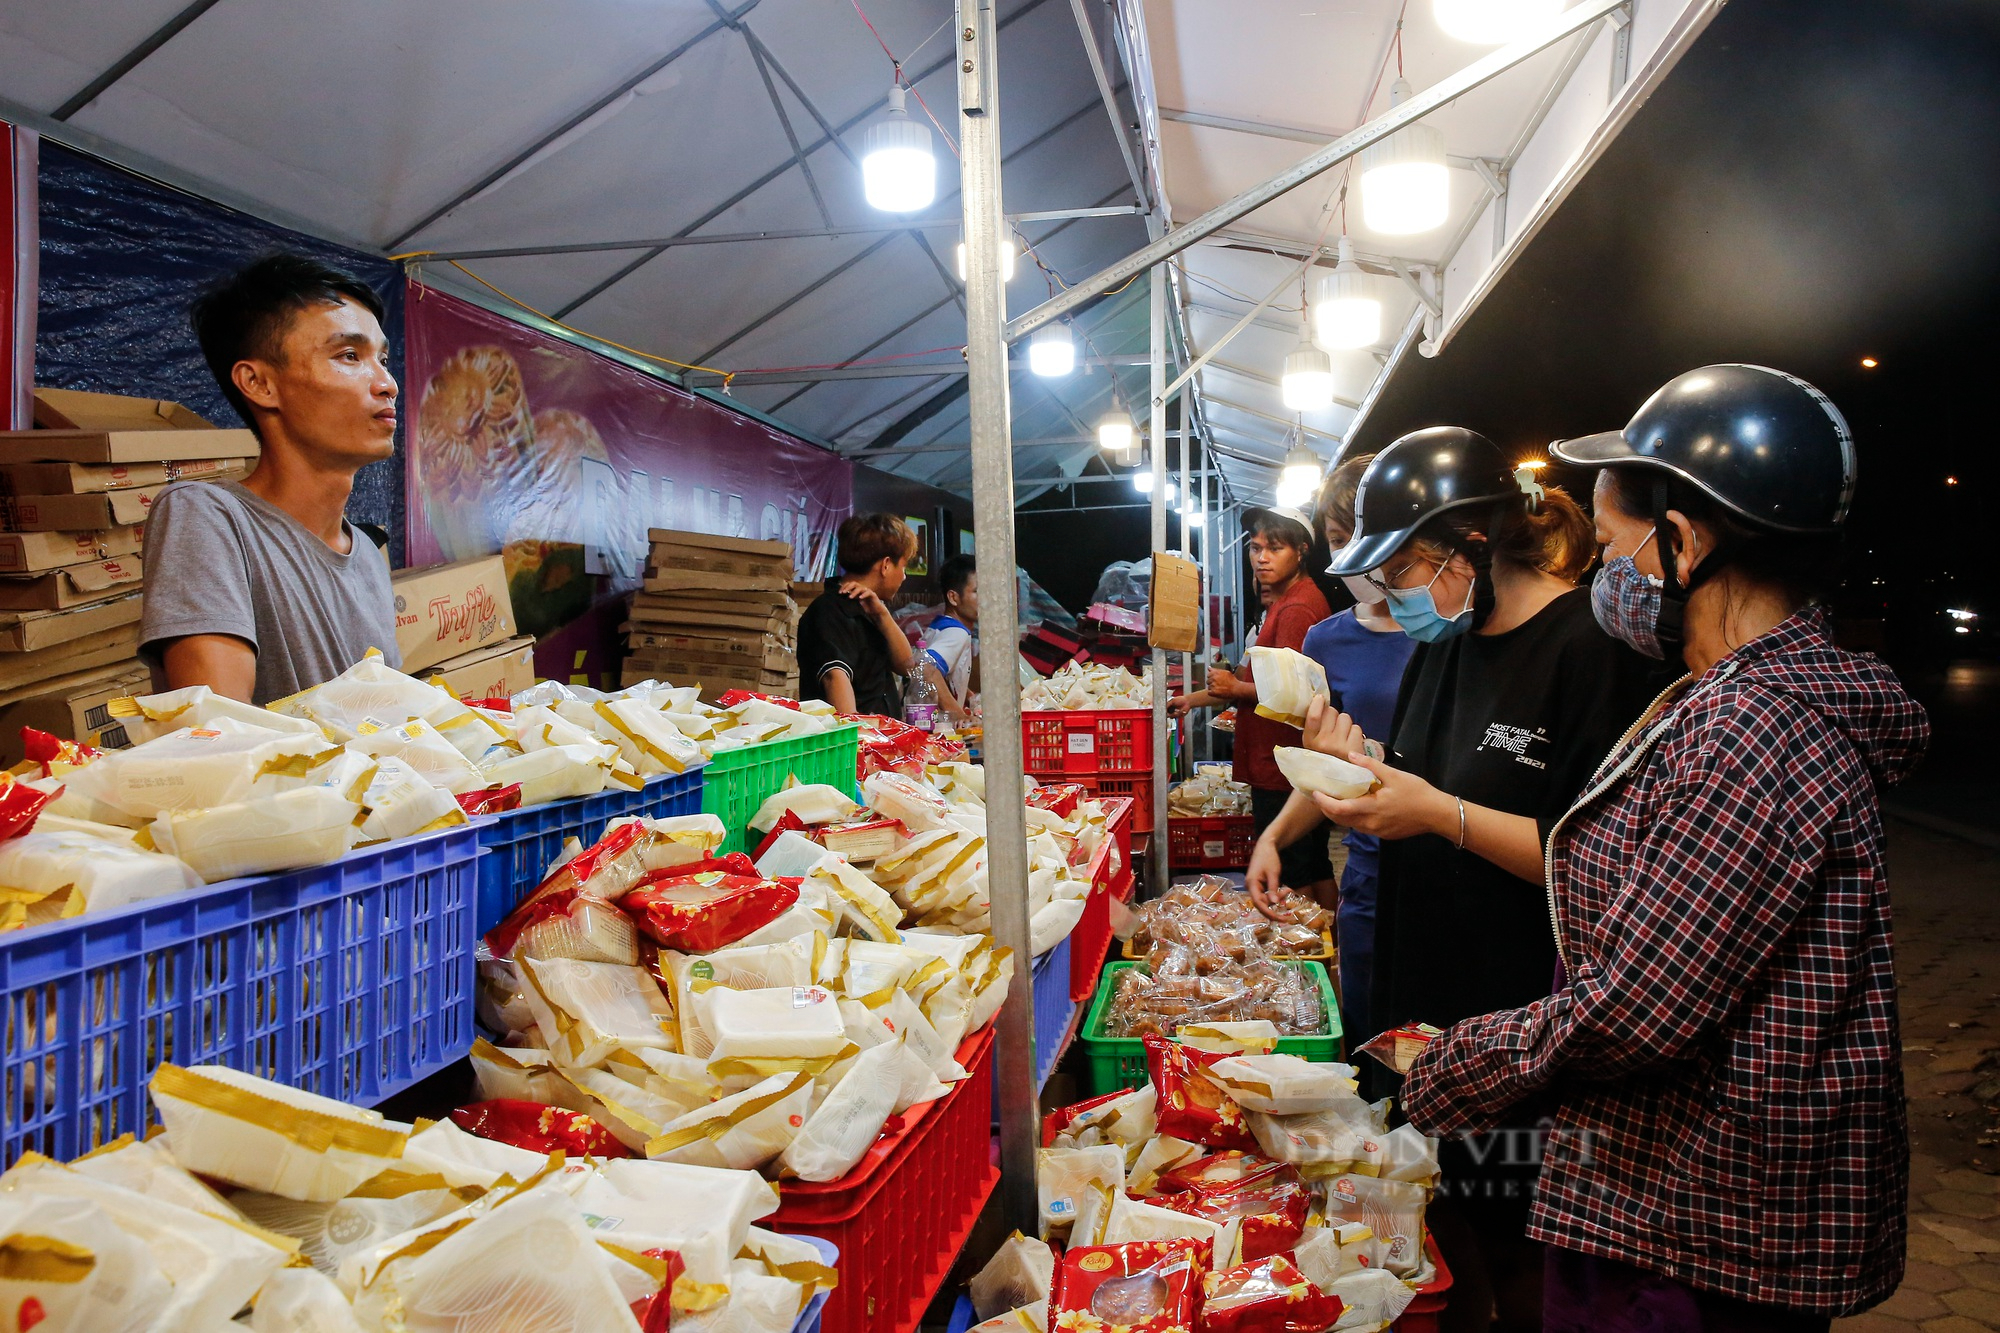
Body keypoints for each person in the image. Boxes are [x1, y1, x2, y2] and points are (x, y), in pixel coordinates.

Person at [1394, 366, 1926, 1331]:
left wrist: (1459, 1064)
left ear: (1680, 543)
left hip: (1702, 1219)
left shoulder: (1750, 729)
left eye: (1609, 550)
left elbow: (1640, 1006)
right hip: (1690, 1194)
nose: (1604, 581)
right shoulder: (1733, 700)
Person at [1304, 426, 1658, 1332]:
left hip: (1527, 1026)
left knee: (1524, 1247)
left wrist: (1438, 812)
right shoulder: (1445, 645)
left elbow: (1599, 858)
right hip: (1424, 1011)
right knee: (1436, 1228)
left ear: (1470, 548)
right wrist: (1357, 772)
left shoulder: (1592, 651)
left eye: (1404, 571)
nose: (1393, 596)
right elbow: (1421, 778)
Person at [140, 253, 401, 706]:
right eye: (349, 355)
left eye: (382, 358)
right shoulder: (206, 515)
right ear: (260, 384)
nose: (386, 383)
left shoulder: (367, 556)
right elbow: (219, 734)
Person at [1246, 455, 1416, 1043]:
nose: (1348, 559)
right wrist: (1272, 838)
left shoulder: (1453, 629)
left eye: (1356, 538)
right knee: (1372, 1041)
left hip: (1446, 873)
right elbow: (1328, 768)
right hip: (1368, 872)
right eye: (1338, 542)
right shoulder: (1329, 638)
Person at [1170, 508, 1333, 898]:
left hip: (1284, 763)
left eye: (1274, 548)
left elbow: (1295, 694)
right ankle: (1331, 945)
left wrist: (1235, 688)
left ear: (1302, 550)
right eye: (1256, 548)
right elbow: (1249, 679)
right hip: (1282, 761)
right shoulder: (1284, 602)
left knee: (1293, 870)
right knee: (1311, 861)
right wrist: (1191, 699)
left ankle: (1303, 949)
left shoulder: (1296, 608)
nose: (1261, 558)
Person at [798, 512, 917, 716]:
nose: (904, 576)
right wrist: (858, 738)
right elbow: (834, 677)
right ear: (886, 565)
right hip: (853, 742)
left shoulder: (873, 609)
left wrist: (883, 616)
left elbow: (908, 667)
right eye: (903, 567)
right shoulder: (828, 611)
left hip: (880, 737)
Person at [920, 554, 978, 723]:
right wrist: (960, 715)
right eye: (977, 591)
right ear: (953, 597)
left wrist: (965, 693)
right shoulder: (957, 633)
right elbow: (927, 670)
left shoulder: (941, 625)